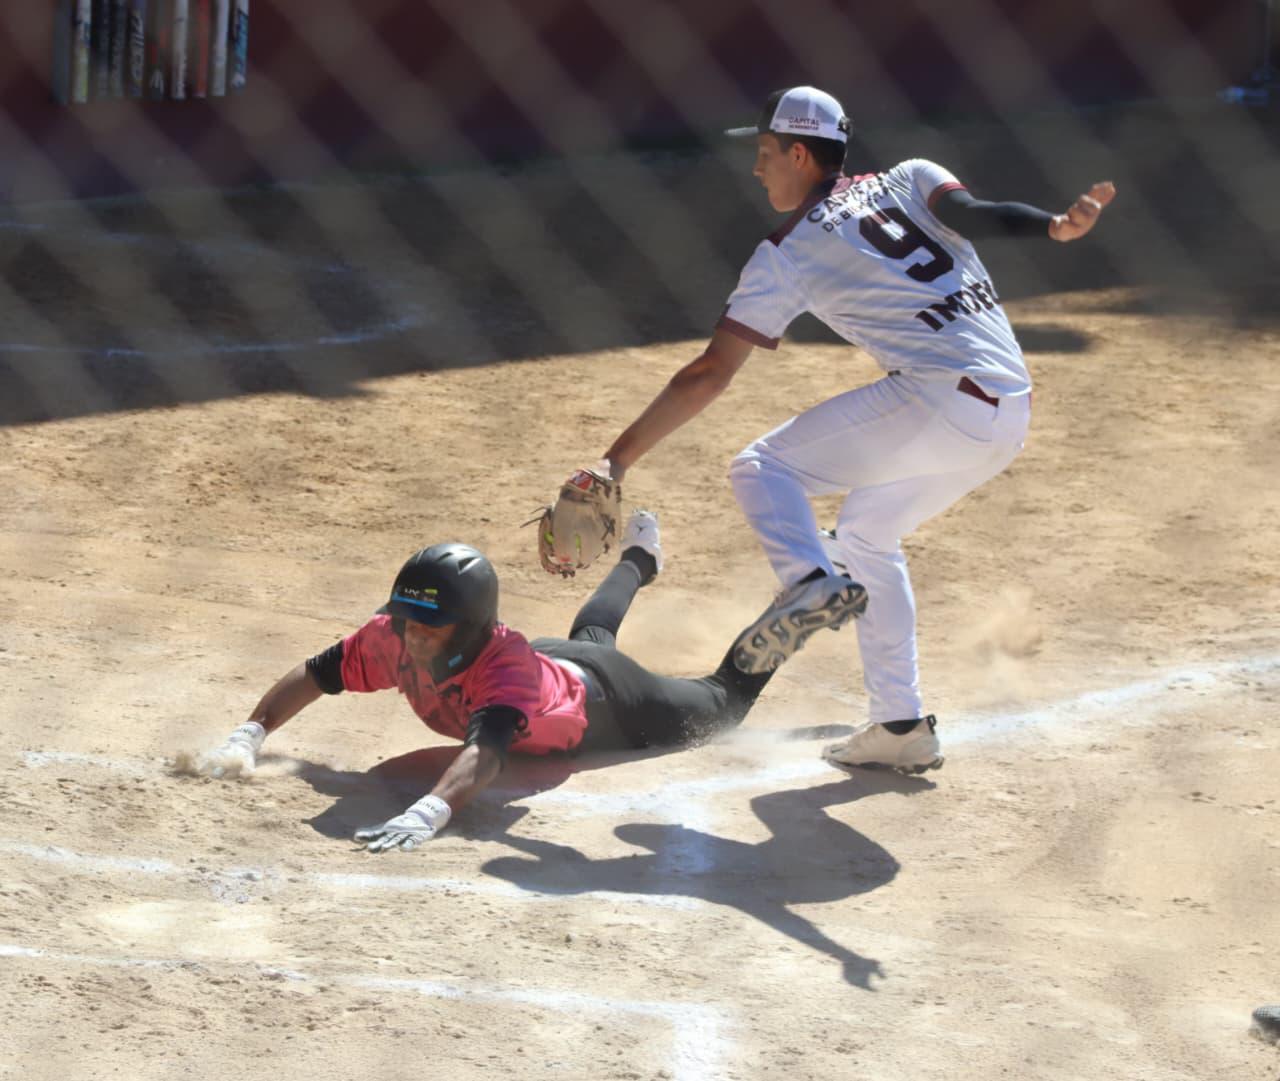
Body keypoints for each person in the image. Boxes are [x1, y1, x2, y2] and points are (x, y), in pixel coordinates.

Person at [587, 86, 1116, 775]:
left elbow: (710, 373)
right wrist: (1053, 226)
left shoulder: (786, 252)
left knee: (761, 467)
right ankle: (899, 723)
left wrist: (615, 460)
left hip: (940, 399)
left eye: (766, 153)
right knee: (867, 532)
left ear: (800, 154)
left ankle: (808, 581)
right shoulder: (912, 176)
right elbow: (979, 215)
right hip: (1008, 408)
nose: (758, 169)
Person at [193, 511, 780, 851]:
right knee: (590, 633)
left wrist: (430, 812)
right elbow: (316, 674)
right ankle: (638, 559)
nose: (412, 636)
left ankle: (798, 599)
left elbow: (488, 753)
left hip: (613, 704)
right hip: (559, 665)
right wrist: (249, 734)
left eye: (430, 626)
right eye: (406, 621)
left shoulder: (505, 671)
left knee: (723, 703)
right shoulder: (393, 634)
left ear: (470, 626)